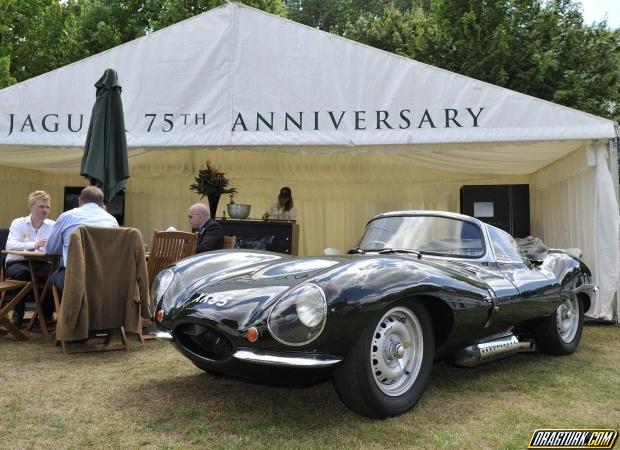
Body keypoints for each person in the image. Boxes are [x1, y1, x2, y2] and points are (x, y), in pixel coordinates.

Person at [46, 186, 119, 291]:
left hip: (74, 278)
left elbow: (51, 249)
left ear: (80, 199)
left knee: (50, 283)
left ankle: (56, 307)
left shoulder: (66, 216)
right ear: (101, 203)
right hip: (104, 279)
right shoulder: (112, 220)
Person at [5, 190, 56, 326]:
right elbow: (10, 245)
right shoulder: (18, 223)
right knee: (23, 274)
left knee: (54, 275)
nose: (45, 210)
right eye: (41, 206)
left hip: (40, 262)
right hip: (17, 262)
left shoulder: (52, 225)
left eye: (47, 207)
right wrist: (34, 244)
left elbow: (55, 247)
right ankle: (17, 315)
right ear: (30, 206)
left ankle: (46, 315)